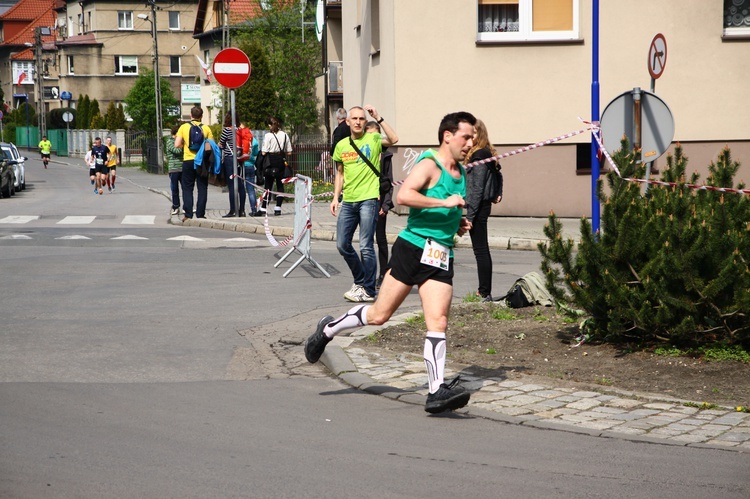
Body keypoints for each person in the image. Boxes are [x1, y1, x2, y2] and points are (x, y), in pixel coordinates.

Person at [305, 111, 477, 414]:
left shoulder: (460, 172)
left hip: (440, 253)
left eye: (472, 137)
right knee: (379, 315)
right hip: (412, 249)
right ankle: (329, 329)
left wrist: (457, 223)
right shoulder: (429, 165)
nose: (471, 142)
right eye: (466, 136)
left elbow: (447, 211)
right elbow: (404, 196)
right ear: (447, 136)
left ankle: (436, 391)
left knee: (438, 321)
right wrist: (444, 203)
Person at [331, 105, 398, 302]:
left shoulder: (374, 139)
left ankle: (368, 289)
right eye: (355, 118)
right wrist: (336, 197)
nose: (359, 121)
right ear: (348, 122)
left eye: (362, 118)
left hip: (368, 199)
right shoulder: (342, 145)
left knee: (366, 246)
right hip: (349, 200)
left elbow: (394, 139)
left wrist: (377, 116)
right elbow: (340, 173)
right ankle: (361, 280)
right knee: (342, 244)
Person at [464, 119, 503, 302]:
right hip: (483, 205)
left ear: (478, 134)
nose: (467, 138)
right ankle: (484, 291)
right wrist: (498, 192)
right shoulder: (488, 153)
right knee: (481, 249)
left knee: (480, 250)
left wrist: (469, 215)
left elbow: (476, 188)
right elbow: (499, 174)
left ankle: (484, 292)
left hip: (478, 207)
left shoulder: (479, 156)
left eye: (471, 134)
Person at [365, 121, 394, 290]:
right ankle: (368, 276)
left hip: (380, 201)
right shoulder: (363, 153)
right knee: (366, 241)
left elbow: (389, 181)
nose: (373, 138)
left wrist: (386, 204)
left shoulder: (385, 156)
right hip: (365, 200)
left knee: (380, 239)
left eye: (376, 135)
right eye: (370, 135)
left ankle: (383, 275)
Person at [174, 106, 214, 221]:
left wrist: (185, 145)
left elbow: (176, 144)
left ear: (191, 115)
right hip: (201, 161)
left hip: (188, 160)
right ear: (201, 116)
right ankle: (200, 214)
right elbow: (211, 145)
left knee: (187, 188)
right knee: (202, 187)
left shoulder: (183, 127)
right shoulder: (206, 128)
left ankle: (188, 214)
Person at [259, 116, 292, 216]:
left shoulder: (268, 136)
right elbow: (289, 152)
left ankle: (263, 208)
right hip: (280, 161)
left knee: (268, 185)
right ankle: (278, 208)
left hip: (270, 162)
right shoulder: (285, 135)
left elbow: (264, 152)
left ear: (269, 125)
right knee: (280, 185)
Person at [218, 112, 246, 217]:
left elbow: (221, 144)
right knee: (241, 185)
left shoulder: (226, 130)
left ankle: (233, 210)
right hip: (240, 159)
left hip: (230, 159)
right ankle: (242, 210)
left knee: (231, 185)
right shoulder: (240, 130)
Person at [238, 121, 260, 216]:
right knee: (251, 189)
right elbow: (255, 153)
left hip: (241, 165)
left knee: (240, 189)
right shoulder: (253, 140)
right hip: (251, 165)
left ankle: (241, 209)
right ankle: (254, 209)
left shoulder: (238, 139)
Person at [165, 125, 183, 216]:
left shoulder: (181, 141)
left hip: (183, 167)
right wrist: (183, 145)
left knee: (185, 188)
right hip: (174, 168)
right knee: (174, 188)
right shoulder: (169, 141)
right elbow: (176, 151)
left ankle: (187, 206)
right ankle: (176, 206)